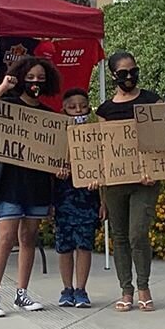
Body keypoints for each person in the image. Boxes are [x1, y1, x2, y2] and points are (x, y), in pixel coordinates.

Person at [0, 56, 61, 318]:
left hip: (36, 185)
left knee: (28, 238)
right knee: (6, 237)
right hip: (10, 183)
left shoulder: (49, 115)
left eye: (41, 79)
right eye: (31, 77)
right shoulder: (6, 107)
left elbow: (56, 151)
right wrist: (2, 88)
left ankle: (22, 293)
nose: (35, 83)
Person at [96, 51, 161, 312]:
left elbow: (164, 139)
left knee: (137, 233)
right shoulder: (105, 110)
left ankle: (143, 286)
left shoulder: (152, 101)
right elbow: (100, 152)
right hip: (115, 183)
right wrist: (100, 194)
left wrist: (155, 169)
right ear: (113, 75)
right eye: (123, 73)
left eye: (133, 71)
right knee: (120, 236)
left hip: (145, 180)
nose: (129, 77)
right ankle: (126, 290)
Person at [54, 88, 106, 308]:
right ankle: (67, 289)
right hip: (62, 195)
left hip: (88, 196)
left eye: (83, 106)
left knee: (84, 244)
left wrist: (103, 199)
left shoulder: (97, 134)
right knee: (64, 245)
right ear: (64, 109)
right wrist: (57, 171)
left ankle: (81, 289)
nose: (78, 111)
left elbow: (105, 166)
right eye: (73, 107)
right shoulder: (55, 134)